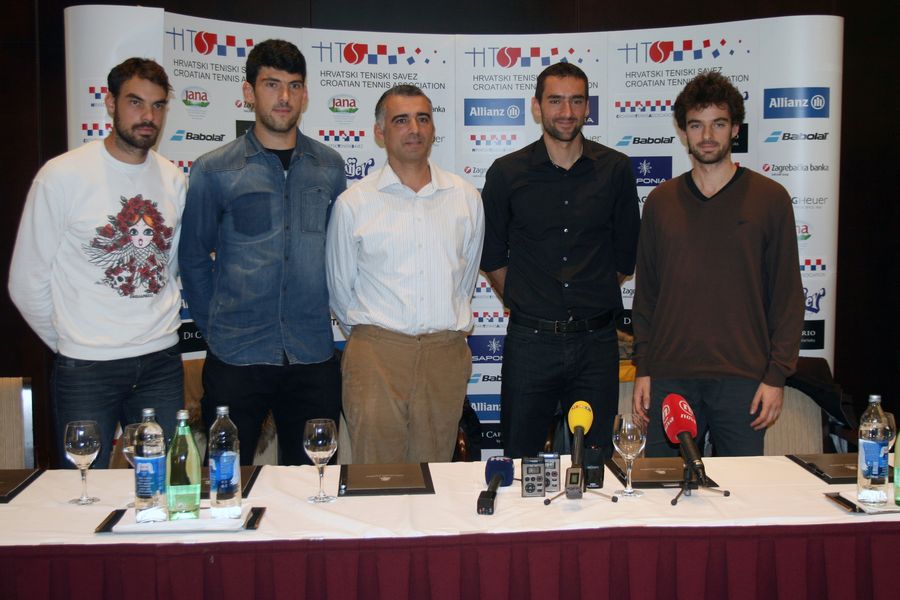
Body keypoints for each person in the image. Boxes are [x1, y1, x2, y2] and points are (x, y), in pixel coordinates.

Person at [9, 58, 185, 468]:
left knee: (162, 484)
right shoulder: (62, 175)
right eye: (136, 102)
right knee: (83, 483)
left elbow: (169, 267)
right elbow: (26, 280)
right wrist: (72, 341)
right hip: (87, 368)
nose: (148, 116)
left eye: (158, 105)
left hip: (160, 361)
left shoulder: (173, 178)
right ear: (110, 103)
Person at [179, 39, 344, 466]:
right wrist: (216, 330)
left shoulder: (329, 166)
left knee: (315, 480)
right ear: (248, 92)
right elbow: (193, 257)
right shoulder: (214, 168)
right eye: (272, 84)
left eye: (294, 85)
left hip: (312, 354)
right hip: (237, 356)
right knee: (226, 481)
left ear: (305, 94)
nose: (284, 96)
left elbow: (339, 253)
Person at [631, 72, 804, 457]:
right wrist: (645, 368)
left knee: (741, 491)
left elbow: (788, 297)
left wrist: (776, 376)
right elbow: (647, 297)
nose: (707, 135)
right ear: (683, 132)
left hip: (743, 379)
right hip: (670, 378)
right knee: (663, 487)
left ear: (735, 129)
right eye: (697, 124)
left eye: (719, 124)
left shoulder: (770, 199)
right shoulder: (660, 202)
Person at [480, 63, 641, 459]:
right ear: (537, 107)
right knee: (523, 461)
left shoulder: (616, 169)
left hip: (596, 344)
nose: (567, 112)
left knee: (595, 461)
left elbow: (625, 256)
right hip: (530, 343)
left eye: (576, 101)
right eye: (555, 101)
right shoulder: (506, 173)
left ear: (588, 107)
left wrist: (587, 292)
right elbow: (492, 255)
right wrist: (531, 299)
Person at [326, 85, 484, 464]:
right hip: (376, 356)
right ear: (380, 132)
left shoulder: (465, 197)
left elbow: (464, 282)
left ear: (433, 128)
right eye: (401, 120)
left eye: (422, 118)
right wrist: (383, 338)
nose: (414, 129)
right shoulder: (354, 203)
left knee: (434, 474)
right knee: (377, 478)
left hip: (444, 355)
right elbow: (340, 290)